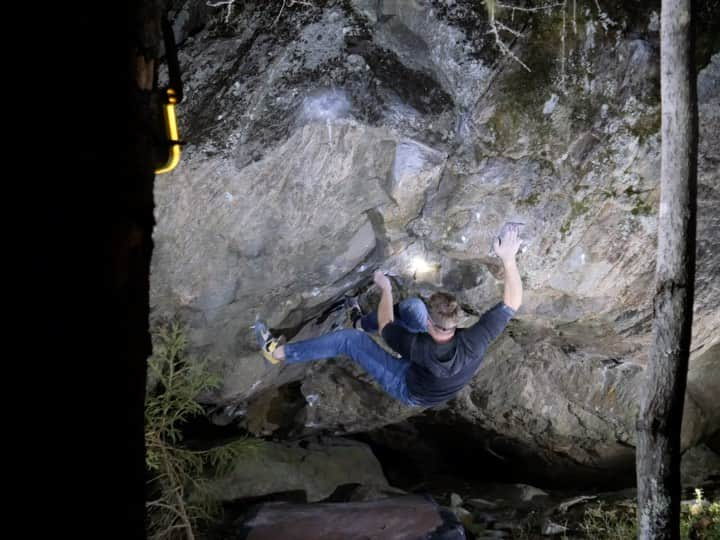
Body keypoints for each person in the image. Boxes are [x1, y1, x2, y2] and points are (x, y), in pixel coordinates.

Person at [255, 224, 523, 407]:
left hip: (410, 387)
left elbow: (386, 325)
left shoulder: (417, 346)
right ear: (456, 319)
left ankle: (279, 354)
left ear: (430, 324)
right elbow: (513, 302)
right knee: (413, 308)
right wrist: (508, 259)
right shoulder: (476, 339)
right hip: (433, 374)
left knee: (350, 341)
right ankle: (360, 322)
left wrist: (385, 289)